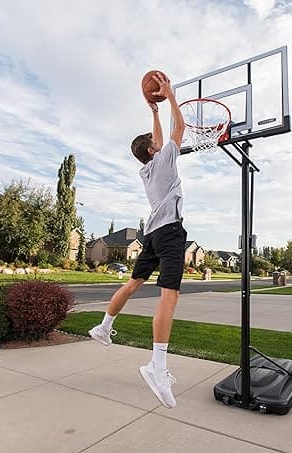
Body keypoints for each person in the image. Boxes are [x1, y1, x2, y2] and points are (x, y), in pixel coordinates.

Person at [88, 72, 186, 409]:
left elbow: (158, 136)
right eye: (153, 141)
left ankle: (104, 327)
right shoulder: (165, 160)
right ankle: (156, 367)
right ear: (152, 150)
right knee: (169, 294)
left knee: (132, 284)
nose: (158, 141)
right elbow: (179, 130)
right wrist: (170, 97)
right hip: (170, 231)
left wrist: (154, 112)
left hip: (152, 234)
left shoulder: (147, 168)